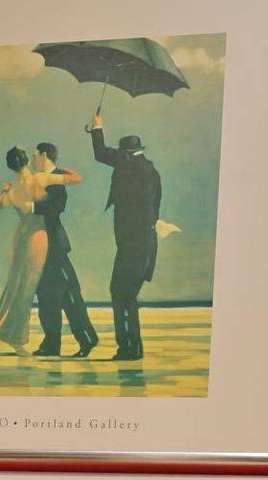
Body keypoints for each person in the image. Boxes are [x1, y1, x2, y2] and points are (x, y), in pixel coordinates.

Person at [0, 146, 81, 361]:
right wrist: (56, 168)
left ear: (11, 166)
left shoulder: (14, 190)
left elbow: (0, 205)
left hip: (20, 240)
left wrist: (4, 191)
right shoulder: (40, 178)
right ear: (26, 161)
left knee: (13, 288)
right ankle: (14, 338)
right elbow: (76, 178)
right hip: (37, 239)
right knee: (25, 292)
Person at [89, 112, 163, 361]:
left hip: (132, 245)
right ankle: (133, 348)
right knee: (127, 295)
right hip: (146, 243)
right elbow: (155, 209)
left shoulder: (128, 164)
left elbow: (101, 154)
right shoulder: (153, 172)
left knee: (120, 292)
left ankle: (128, 348)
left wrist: (97, 127)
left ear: (127, 154)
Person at [31, 141, 98, 358]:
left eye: (35, 155)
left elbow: (57, 207)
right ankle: (51, 343)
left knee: (69, 294)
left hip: (55, 247)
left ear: (44, 155)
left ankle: (87, 339)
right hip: (41, 247)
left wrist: (31, 207)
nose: (33, 160)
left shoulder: (57, 178)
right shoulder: (41, 178)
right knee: (45, 296)